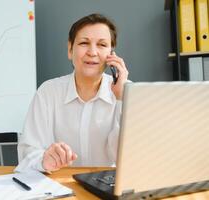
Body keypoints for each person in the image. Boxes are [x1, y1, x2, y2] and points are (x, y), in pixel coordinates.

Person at [15, 13, 129, 173]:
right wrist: (43, 160)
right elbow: (27, 154)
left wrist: (122, 99)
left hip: (108, 188)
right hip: (59, 187)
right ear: (70, 49)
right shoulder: (48, 92)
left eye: (102, 45)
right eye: (84, 43)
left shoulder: (127, 92)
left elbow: (129, 157)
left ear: (112, 53)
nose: (92, 52)